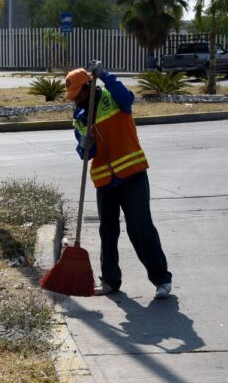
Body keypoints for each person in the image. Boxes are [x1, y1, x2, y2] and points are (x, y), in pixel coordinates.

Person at [66, 63, 173, 299]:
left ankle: (161, 279)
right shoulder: (80, 118)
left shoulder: (113, 98)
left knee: (141, 228)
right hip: (105, 180)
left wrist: (105, 75)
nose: (75, 101)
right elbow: (86, 155)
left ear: (88, 87)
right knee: (108, 231)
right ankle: (110, 281)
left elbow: (128, 99)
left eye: (78, 95)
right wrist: (83, 146)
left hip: (132, 174)